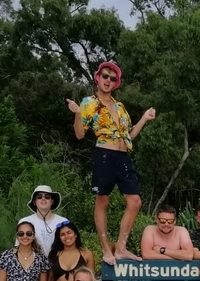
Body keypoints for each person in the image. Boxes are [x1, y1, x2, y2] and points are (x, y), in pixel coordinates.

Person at [66, 61, 156, 265]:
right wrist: (78, 114)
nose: (108, 80)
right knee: (102, 201)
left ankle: (121, 248)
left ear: (116, 83)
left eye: (112, 78)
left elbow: (129, 135)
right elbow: (80, 135)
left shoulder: (120, 106)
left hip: (123, 156)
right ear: (97, 78)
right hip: (104, 154)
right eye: (105, 76)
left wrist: (143, 119)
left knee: (135, 202)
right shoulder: (89, 103)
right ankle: (106, 250)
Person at [18, 185, 68, 256]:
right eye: (39, 197)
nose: (43, 199)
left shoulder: (63, 222)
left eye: (47, 197)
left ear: (52, 201)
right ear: (35, 202)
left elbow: (70, 247)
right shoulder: (25, 222)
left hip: (58, 264)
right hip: (33, 265)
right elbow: (19, 248)